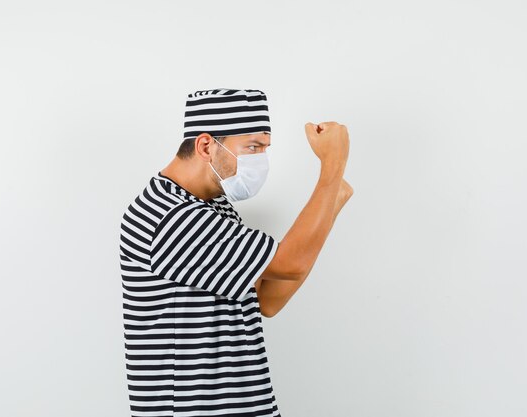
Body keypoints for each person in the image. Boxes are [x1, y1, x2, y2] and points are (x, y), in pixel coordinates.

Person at [119, 88, 353, 417]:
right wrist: (333, 166)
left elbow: (267, 300)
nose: (260, 160)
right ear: (205, 146)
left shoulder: (214, 206)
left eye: (265, 148)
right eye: (252, 147)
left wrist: (333, 202)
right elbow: (292, 263)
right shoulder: (167, 214)